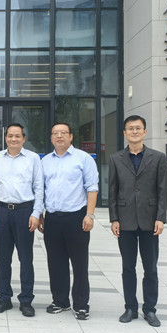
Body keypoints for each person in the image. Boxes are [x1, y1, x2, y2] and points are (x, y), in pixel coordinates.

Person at [108, 115, 167, 327]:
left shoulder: (158, 158)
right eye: (130, 128)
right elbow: (112, 190)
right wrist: (114, 218)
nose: (134, 132)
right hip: (125, 221)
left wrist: (160, 217)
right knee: (128, 267)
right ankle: (130, 308)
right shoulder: (116, 159)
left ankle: (150, 309)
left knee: (150, 268)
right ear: (124, 133)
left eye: (138, 128)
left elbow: (162, 190)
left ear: (145, 132)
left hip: (150, 220)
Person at [40, 122, 98, 320]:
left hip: (76, 218)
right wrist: (40, 214)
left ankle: (81, 304)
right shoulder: (45, 161)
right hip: (52, 218)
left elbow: (92, 187)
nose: (59, 136)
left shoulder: (83, 158)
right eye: (55, 133)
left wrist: (90, 215)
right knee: (55, 262)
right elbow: (41, 189)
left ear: (71, 136)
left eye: (63, 133)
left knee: (80, 263)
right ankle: (60, 300)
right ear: (51, 137)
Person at [0, 123, 44, 318]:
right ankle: (4, 297)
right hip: (2, 211)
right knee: (3, 258)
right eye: (10, 136)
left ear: (23, 138)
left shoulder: (33, 158)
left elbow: (39, 187)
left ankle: (26, 300)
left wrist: (36, 213)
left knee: (26, 258)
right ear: (6, 138)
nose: (13, 139)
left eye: (17, 136)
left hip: (24, 212)